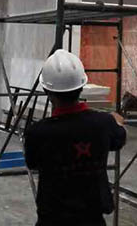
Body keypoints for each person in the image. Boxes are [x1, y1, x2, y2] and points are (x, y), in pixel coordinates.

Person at [24, 50, 126, 226]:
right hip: (92, 219)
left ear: (47, 91)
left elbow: (32, 163)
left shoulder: (38, 132)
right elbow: (119, 139)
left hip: (53, 219)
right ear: (81, 87)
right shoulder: (103, 123)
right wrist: (117, 122)